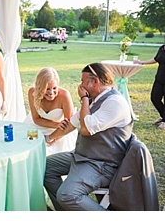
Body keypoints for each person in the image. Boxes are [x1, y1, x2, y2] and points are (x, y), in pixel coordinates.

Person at [43, 63, 133, 211]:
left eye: (83, 82)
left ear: (95, 81)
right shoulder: (95, 99)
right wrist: (47, 139)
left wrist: (84, 99)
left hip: (101, 164)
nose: (80, 86)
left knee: (67, 195)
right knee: (46, 167)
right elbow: (71, 125)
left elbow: (85, 129)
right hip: (82, 156)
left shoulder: (115, 103)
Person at [25, 67, 77, 156]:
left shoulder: (64, 96)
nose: (51, 92)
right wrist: (57, 124)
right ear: (40, 87)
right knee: (29, 148)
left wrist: (51, 138)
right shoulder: (32, 93)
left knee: (49, 153)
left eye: (54, 88)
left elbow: (68, 126)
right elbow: (36, 119)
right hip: (37, 127)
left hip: (60, 132)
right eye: (47, 89)